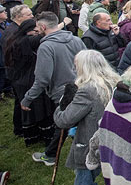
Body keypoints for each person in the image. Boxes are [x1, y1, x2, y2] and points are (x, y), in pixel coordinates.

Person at [53, 50, 128, 185]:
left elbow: (64, 120)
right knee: (106, 177)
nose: (74, 68)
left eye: (77, 65)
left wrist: (62, 103)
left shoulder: (87, 91)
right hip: (114, 140)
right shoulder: (116, 82)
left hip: (91, 145)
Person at [21, 12, 86, 166]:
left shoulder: (46, 46)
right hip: (82, 86)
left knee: (62, 125)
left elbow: (42, 78)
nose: (37, 30)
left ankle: (50, 156)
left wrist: (27, 98)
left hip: (63, 92)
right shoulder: (76, 40)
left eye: (37, 27)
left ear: (43, 26)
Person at [4, 17, 55, 145]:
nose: (39, 32)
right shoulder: (27, 41)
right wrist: (64, 22)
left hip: (20, 79)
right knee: (39, 108)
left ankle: (29, 134)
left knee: (27, 108)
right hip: (29, 79)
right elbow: (50, 33)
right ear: (29, 30)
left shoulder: (15, 39)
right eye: (36, 30)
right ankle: (43, 136)